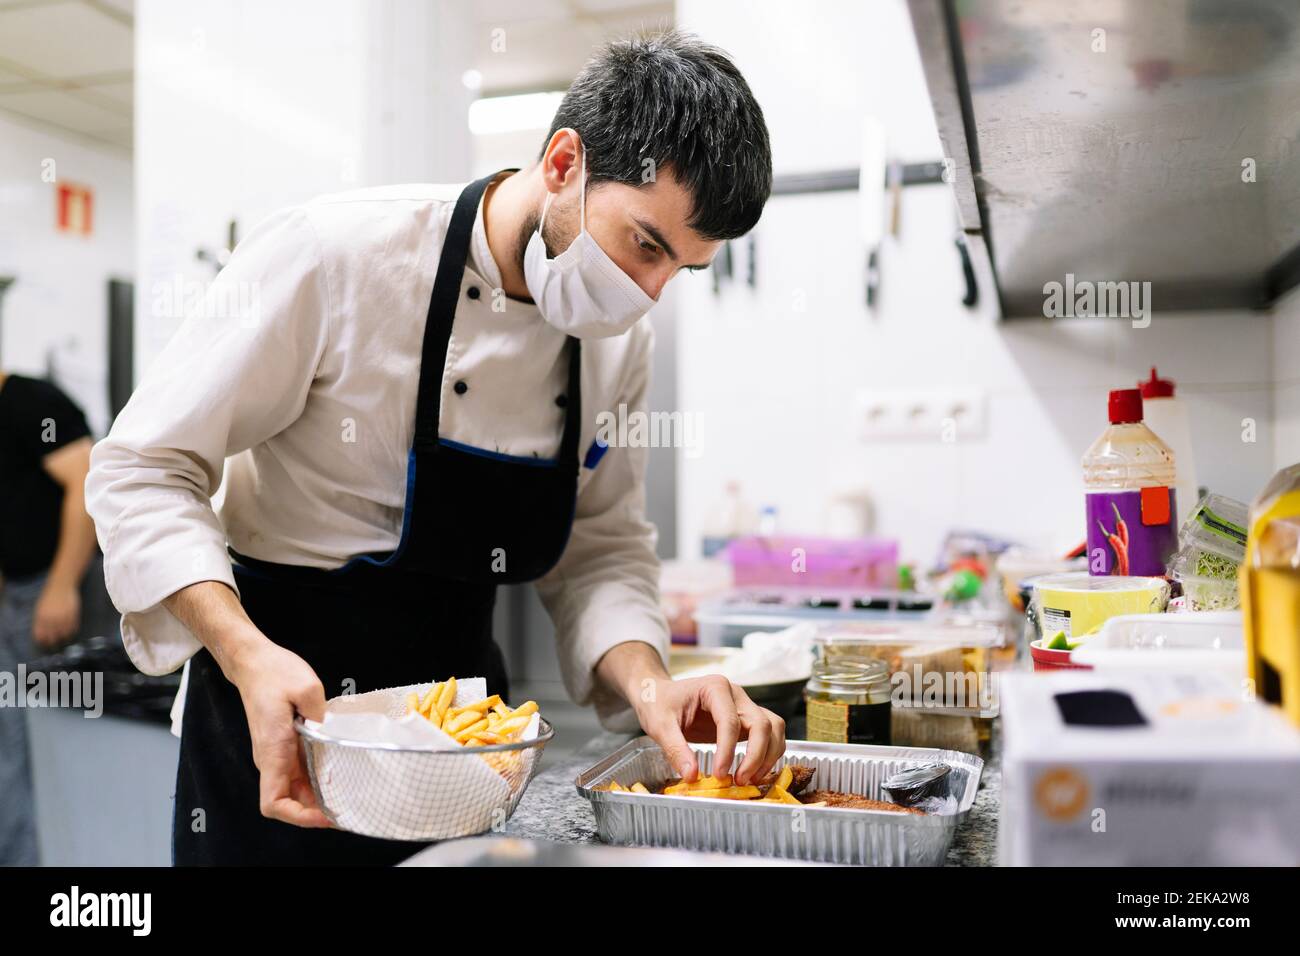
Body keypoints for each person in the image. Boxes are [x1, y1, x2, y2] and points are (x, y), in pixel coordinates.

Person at [86, 30, 776, 865]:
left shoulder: (618, 345)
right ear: (564, 163)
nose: (649, 294)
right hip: (279, 710)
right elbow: (144, 468)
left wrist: (651, 685)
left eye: (683, 271)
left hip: (462, 745)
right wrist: (243, 653)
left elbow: (599, 548)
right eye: (646, 244)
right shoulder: (337, 257)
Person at [0, 371, 99, 865]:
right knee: (12, 739)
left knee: (59, 734)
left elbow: (85, 484)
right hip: (15, 598)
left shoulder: (31, 401)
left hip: (53, 590)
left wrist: (60, 587)